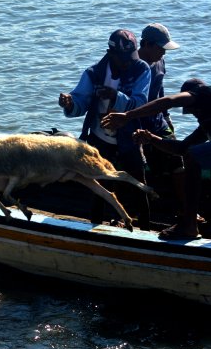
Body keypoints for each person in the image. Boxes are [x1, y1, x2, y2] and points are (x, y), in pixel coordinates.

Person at [101, 79, 211, 244]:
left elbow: (170, 101)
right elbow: (181, 149)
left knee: (194, 157)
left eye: (192, 108)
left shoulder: (206, 93)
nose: (193, 113)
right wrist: (151, 139)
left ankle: (189, 225)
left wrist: (128, 116)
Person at [58, 29, 151, 228]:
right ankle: (94, 226)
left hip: (129, 138)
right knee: (99, 186)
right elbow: (80, 103)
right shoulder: (93, 73)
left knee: (139, 186)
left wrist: (114, 96)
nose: (128, 62)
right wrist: (69, 104)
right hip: (100, 139)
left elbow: (140, 103)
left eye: (130, 57)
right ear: (110, 54)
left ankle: (145, 228)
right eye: (123, 58)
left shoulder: (141, 69)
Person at [137, 23, 194, 221]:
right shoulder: (132, 65)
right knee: (134, 165)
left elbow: (160, 92)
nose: (163, 52)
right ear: (145, 44)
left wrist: (167, 118)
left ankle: (185, 209)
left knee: (178, 161)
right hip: (136, 124)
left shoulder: (160, 63)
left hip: (158, 122)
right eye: (160, 48)